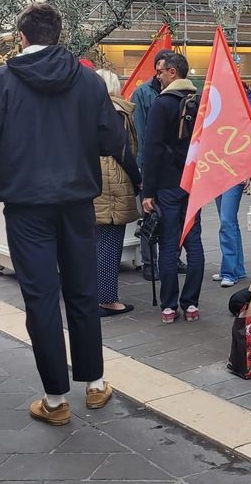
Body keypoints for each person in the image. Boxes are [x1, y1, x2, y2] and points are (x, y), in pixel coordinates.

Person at [0, 2, 129, 426]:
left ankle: (55, 399)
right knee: (82, 290)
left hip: (26, 203)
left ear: (21, 37)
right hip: (76, 200)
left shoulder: (0, 80)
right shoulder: (89, 81)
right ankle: (95, 383)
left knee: (40, 297)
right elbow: (111, 140)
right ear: (59, 35)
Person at [141, 51, 205, 324]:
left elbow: (152, 149)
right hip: (194, 183)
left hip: (167, 184)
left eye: (160, 71)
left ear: (173, 72)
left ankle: (169, 306)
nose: (157, 76)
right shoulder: (201, 102)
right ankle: (191, 304)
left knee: (168, 244)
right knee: (194, 242)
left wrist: (148, 192)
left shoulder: (163, 103)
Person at [93, 69, 143, 317]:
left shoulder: (85, 110)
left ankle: (93, 295)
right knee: (110, 241)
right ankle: (107, 299)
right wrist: (138, 180)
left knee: (96, 241)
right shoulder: (116, 111)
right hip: (113, 180)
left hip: (91, 178)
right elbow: (123, 151)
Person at [130, 54, 185, 276]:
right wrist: (142, 168)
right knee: (151, 216)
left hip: (174, 169)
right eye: (158, 70)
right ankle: (149, 263)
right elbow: (141, 133)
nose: (159, 75)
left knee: (173, 220)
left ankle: (173, 258)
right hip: (151, 165)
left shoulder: (181, 94)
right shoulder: (143, 93)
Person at [212, 83, 251, 288]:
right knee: (228, 221)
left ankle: (229, 271)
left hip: (235, 171)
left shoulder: (250, 105)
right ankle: (236, 268)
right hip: (218, 169)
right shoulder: (220, 107)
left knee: (226, 220)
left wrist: (248, 169)